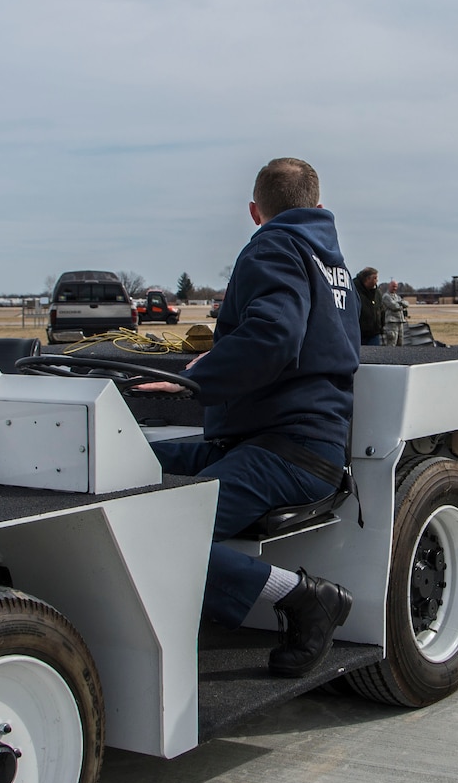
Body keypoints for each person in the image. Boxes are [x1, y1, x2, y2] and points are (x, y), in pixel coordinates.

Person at [137, 157, 359, 676]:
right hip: (279, 442)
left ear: (256, 211)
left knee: (158, 532)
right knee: (130, 454)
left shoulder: (273, 244)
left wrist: (198, 379)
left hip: (287, 450)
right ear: (319, 207)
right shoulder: (329, 259)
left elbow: (276, 334)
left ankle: (306, 598)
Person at [354, 267, 384, 347]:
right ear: (367, 279)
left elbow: (381, 309)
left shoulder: (377, 293)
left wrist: (381, 326)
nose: (377, 281)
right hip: (359, 333)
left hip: (374, 333)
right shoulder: (354, 291)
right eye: (375, 278)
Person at [380, 281, 410, 346]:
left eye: (396, 286)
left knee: (400, 343)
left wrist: (400, 303)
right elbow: (394, 306)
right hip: (391, 323)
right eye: (393, 286)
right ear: (389, 286)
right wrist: (401, 304)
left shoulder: (397, 297)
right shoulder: (386, 296)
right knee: (392, 342)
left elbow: (407, 304)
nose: (395, 288)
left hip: (400, 321)